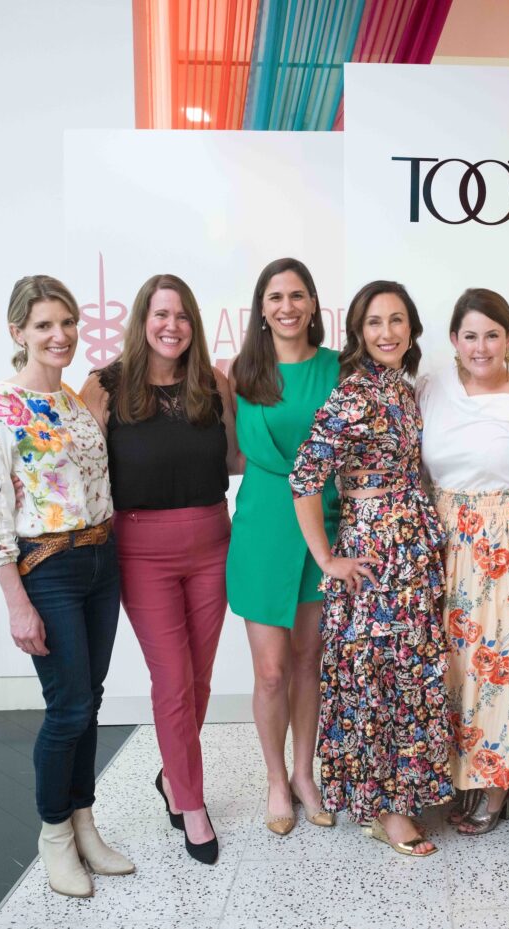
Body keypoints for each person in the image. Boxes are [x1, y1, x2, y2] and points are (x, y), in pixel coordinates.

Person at [0, 275, 133, 897]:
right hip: (47, 570)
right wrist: (17, 604)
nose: (59, 335)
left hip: (99, 561)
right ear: (18, 333)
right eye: (43, 325)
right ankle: (54, 837)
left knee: (88, 696)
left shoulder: (71, 401)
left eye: (67, 322)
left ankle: (85, 822)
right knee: (66, 709)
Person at [290, 280, 453, 857]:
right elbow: (305, 478)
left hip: (414, 549)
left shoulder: (404, 391)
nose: (387, 332)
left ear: (411, 329)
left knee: (410, 675)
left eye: (397, 320)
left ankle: (400, 793)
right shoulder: (354, 394)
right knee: (379, 678)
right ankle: (387, 808)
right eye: (375, 322)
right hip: (377, 553)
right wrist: (326, 558)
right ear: (359, 332)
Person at [81, 274, 239, 865]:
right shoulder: (106, 385)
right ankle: (191, 802)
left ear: (193, 324)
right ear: (142, 320)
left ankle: (173, 777)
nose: (171, 325)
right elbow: (80, 468)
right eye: (160, 313)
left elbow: (234, 458)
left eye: (181, 315)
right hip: (141, 549)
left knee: (197, 679)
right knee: (172, 679)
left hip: (212, 544)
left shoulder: (210, 384)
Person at [418, 288, 509, 835]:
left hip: (503, 546)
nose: (481, 347)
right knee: (451, 666)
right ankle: (456, 773)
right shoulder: (432, 391)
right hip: (441, 541)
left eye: (492, 335)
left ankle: (495, 785)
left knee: (496, 667)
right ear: (454, 341)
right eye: (470, 335)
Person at [226, 258, 339, 835]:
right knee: (270, 671)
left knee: (307, 662)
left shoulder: (339, 369)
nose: (287, 306)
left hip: (323, 526)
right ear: (261, 308)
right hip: (264, 527)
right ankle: (274, 780)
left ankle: (303, 774)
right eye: (276, 296)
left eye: (298, 295)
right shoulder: (239, 374)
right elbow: (229, 456)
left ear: (314, 305)